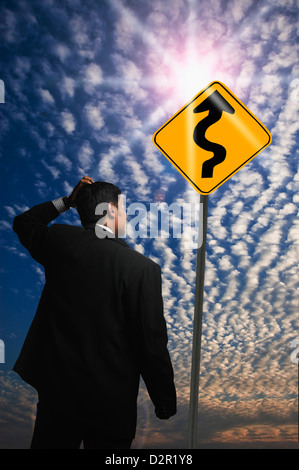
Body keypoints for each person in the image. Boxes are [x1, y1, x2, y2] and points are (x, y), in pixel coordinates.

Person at [12, 176, 176, 449]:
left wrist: (67, 201)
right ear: (111, 210)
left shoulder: (60, 241)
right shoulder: (142, 269)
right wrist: (164, 402)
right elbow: (151, 344)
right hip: (112, 407)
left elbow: (24, 222)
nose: (124, 215)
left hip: (57, 401)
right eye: (123, 209)